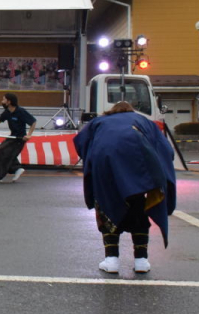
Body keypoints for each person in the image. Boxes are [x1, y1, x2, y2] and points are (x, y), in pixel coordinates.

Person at [72, 102, 176, 274]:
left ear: (111, 111)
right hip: (139, 163)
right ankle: (141, 259)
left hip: (105, 162)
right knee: (138, 206)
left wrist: (91, 160)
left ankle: (111, 259)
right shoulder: (143, 120)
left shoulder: (99, 122)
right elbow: (165, 149)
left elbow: (80, 142)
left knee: (107, 206)